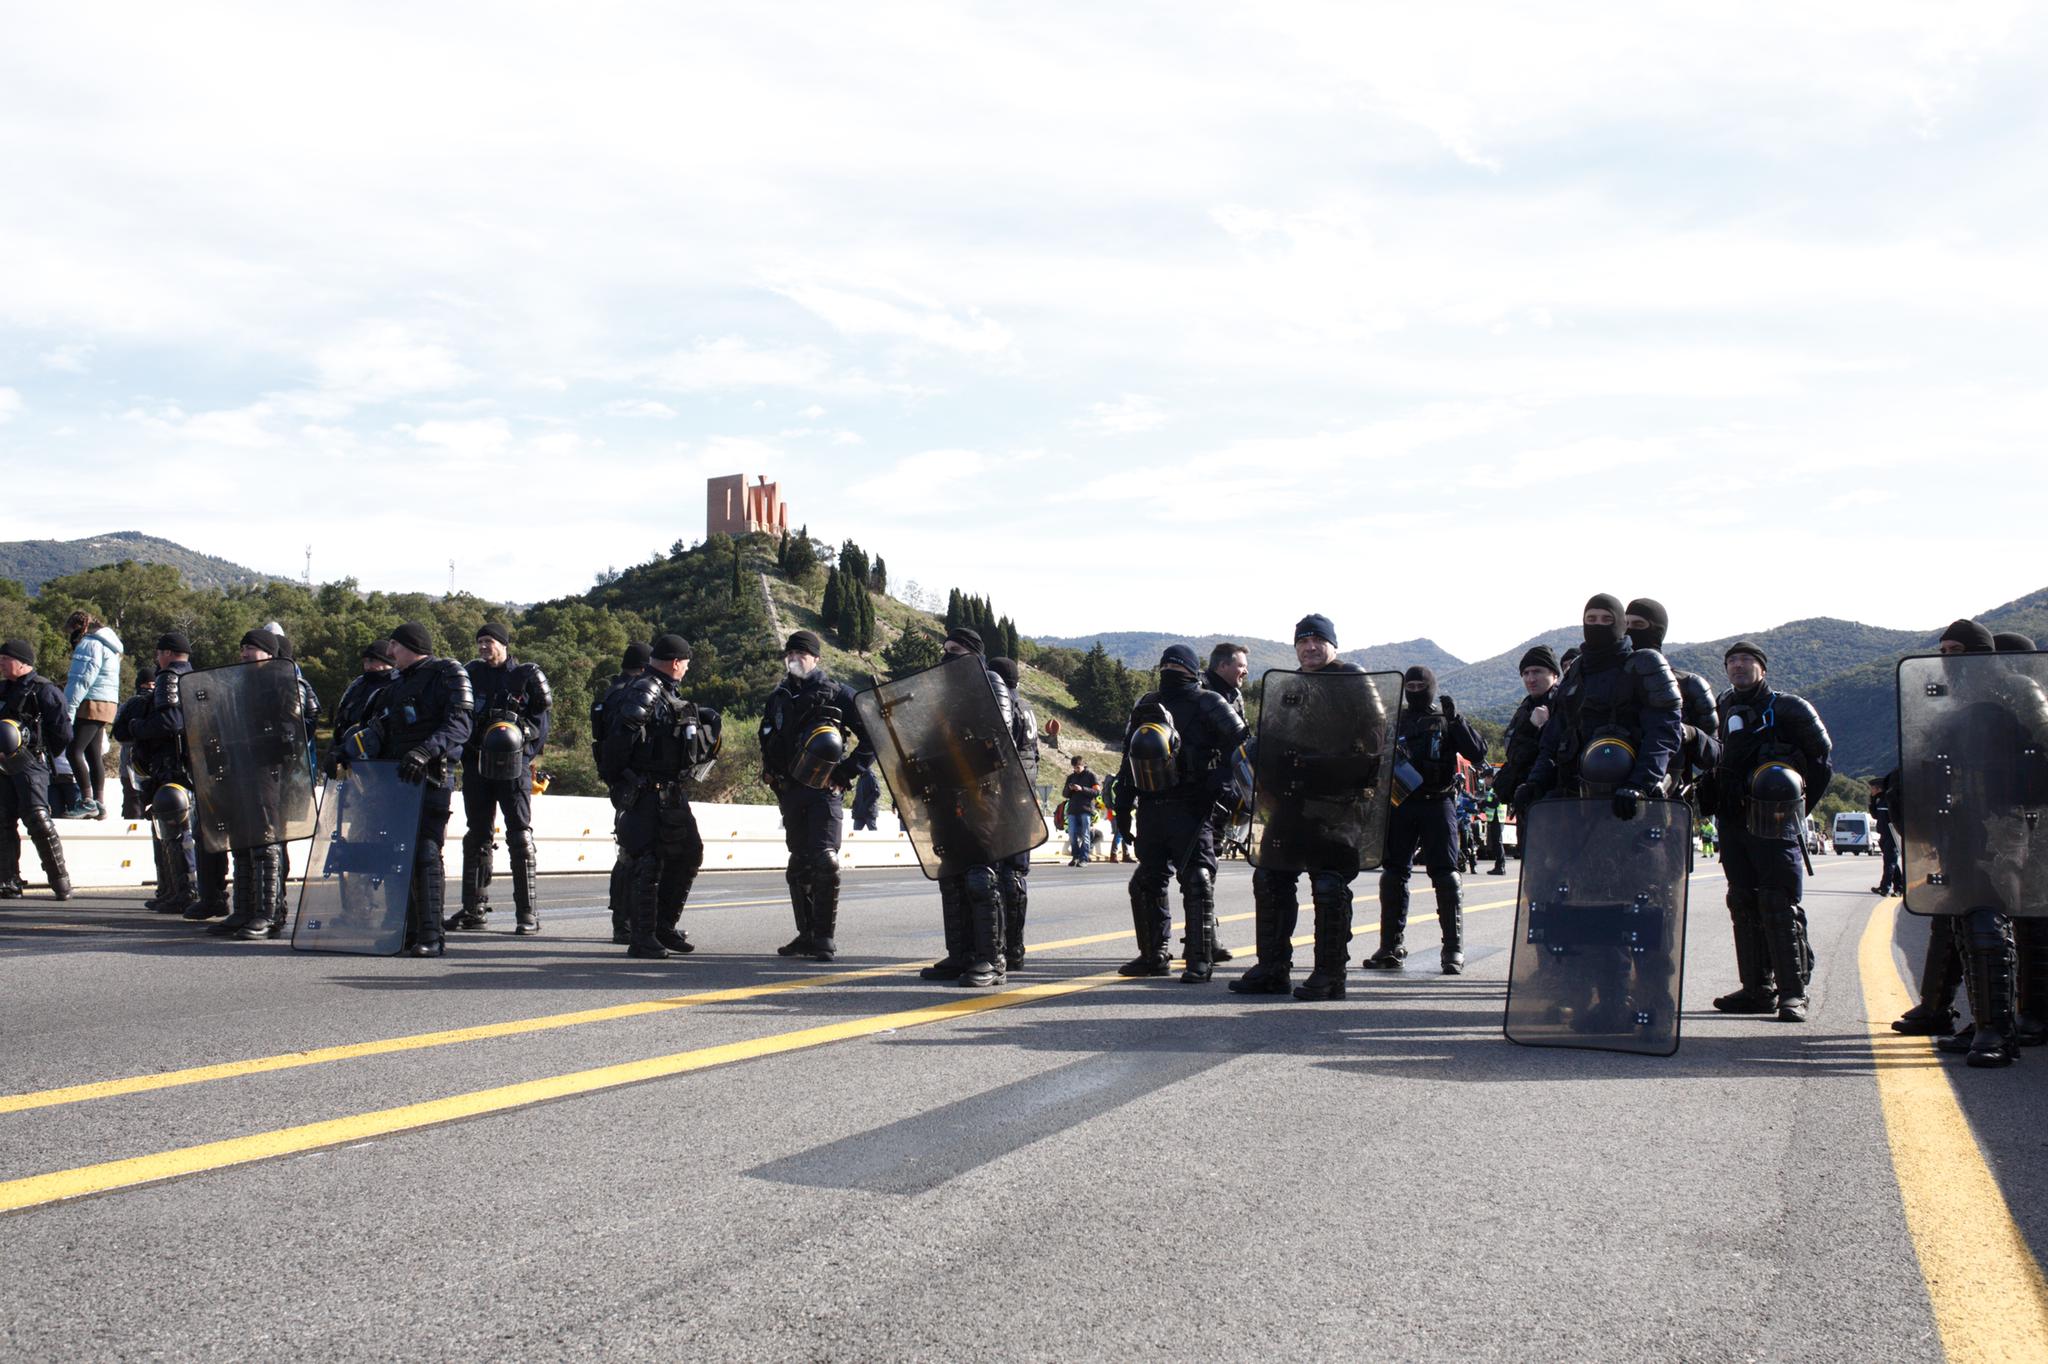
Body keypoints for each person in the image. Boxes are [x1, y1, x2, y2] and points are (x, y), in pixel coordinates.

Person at [1231, 613, 1378, 1001]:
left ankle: (1331, 974)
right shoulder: (1290, 684)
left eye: (1318, 640)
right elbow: (1271, 732)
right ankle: (1272, 967)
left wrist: (1354, 770)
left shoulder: (1353, 679)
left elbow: (1380, 733)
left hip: (1336, 802)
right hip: (1290, 799)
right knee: (1270, 877)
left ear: (1334, 645)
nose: (1310, 647)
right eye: (1303, 641)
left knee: (1328, 884)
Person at [1702, 640, 1833, 1023]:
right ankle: (1757, 989)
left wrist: (1796, 810)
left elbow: (1822, 760)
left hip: (1774, 821)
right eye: (1732, 661)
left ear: (1762, 667)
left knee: (1778, 902)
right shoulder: (1722, 706)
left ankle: (1794, 994)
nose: (1738, 666)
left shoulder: (1791, 708)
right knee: (1742, 900)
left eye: (1746, 660)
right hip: (1732, 818)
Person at [1109, 644, 1249, 982]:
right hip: (1153, 805)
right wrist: (1123, 808)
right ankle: (1154, 955)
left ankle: (1200, 960)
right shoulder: (1146, 704)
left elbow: (1244, 746)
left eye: (1176, 665)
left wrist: (1221, 785)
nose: (1171, 670)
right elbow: (1129, 758)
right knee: (1146, 882)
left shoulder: (1209, 701)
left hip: (1194, 805)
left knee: (1197, 879)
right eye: (1167, 664)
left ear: (1190, 669)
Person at [354, 621, 473, 957]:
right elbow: (378, 728)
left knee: (424, 852)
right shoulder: (394, 684)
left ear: (409, 645)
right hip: (394, 780)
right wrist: (351, 749)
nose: (389, 653)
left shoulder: (447, 673)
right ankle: (402, 931)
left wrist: (426, 750)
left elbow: (460, 724)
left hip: (431, 776)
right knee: (395, 854)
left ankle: (432, 935)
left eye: (394, 645)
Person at [601, 634, 719, 960]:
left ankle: (664, 926)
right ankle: (642, 937)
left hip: (668, 789)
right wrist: (624, 783)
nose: (686, 669)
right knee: (648, 861)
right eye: (686, 664)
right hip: (646, 789)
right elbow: (617, 743)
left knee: (688, 853)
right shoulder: (646, 690)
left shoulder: (665, 691)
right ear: (676, 662)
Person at [1363, 666, 1486, 973]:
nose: (1416, 689)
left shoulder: (1446, 719)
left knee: (1445, 874)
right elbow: (1373, 757)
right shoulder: (1396, 719)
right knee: (1393, 873)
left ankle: (1453, 949)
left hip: (1438, 800)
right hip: (1400, 803)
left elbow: (1477, 752)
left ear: (1431, 687)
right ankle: (1390, 945)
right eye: (1411, 684)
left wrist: (1457, 721)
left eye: (1421, 685)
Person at [914, 628, 1018, 987]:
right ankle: (960, 955)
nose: (947, 656)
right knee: (951, 874)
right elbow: (929, 739)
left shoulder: (989, 681)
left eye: (954, 650)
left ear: (973, 654)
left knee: (980, 874)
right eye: (945, 650)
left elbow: (998, 739)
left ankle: (992, 959)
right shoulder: (943, 692)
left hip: (982, 794)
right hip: (946, 793)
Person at [758, 629, 870, 961]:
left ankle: (824, 939)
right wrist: (770, 771)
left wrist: (846, 772)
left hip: (823, 792)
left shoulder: (838, 694)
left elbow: (872, 738)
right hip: (790, 792)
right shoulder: (778, 696)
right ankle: (805, 935)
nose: (794, 659)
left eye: (801, 654)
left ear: (816, 659)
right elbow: (768, 737)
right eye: (789, 654)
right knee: (798, 864)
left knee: (825, 860)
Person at [212, 628, 322, 941]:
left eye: (252, 648)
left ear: (269, 653)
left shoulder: (282, 679)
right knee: (242, 839)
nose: (245, 653)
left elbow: (303, 719)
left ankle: (268, 912)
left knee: (264, 837)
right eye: (243, 647)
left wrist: (281, 743)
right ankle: (244, 909)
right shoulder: (238, 682)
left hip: (269, 769)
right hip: (239, 767)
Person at [453, 623, 552, 935]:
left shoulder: (525, 676)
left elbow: (540, 725)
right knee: (477, 834)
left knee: (519, 835)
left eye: (490, 642)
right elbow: (459, 718)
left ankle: (527, 914)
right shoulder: (471, 673)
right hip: (477, 767)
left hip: (514, 769)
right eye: (480, 641)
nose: (484, 647)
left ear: (504, 644)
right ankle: (473, 909)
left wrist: (522, 755)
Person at [125, 633, 229, 919]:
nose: (157, 659)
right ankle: (179, 891)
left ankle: (184, 892)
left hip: (175, 765)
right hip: (194, 766)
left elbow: (170, 722)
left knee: (176, 829)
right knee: (178, 829)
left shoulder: (169, 677)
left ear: (169, 653)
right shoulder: (197, 678)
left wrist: (138, 726)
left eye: (159, 653)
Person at [0, 639, 74, 901]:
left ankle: (60, 882)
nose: (1, 664)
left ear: (22, 662)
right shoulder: (3, 690)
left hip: (31, 764)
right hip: (4, 765)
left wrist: (39, 753)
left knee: (38, 820)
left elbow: (63, 732)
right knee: (3, 821)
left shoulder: (44, 690)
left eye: (5, 659)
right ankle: (8, 881)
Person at [590, 642, 651, 944]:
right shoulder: (635, 695)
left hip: (618, 781)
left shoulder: (610, 694)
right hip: (635, 782)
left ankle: (622, 921)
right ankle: (628, 922)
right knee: (636, 853)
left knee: (626, 850)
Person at [1488, 646, 1561, 875]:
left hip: (1557, 802)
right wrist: (1531, 726)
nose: (1531, 678)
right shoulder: (1525, 708)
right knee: (1533, 874)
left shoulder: (1565, 705)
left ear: (1554, 674)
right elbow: (1513, 753)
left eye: (1537, 671)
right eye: (1526, 673)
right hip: (1528, 801)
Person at [1202, 642, 1251, 960]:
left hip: (1226, 793)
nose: (1245, 671)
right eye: (1240, 665)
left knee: (1210, 866)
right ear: (1222, 666)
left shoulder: (1236, 696)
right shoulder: (1201, 692)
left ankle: (1205, 936)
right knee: (1198, 870)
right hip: (1199, 792)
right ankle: (1162, 944)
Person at [989, 657, 1038, 969]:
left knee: (1002, 875)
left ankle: (1005, 946)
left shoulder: (1005, 707)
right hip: (1025, 796)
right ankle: (1016, 947)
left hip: (1006, 796)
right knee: (1016, 875)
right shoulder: (1028, 708)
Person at [57, 611, 123, 819]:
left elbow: (80, 680)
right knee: (93, 754)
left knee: (73, 751)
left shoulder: (90, 644)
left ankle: (87, 802)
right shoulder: (110, 645)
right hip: (107, 703)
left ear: (80, 627)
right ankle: (100, 803)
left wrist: (68, 709)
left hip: (90, 703)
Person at [114, 664, 155, 822]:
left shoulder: (128, 704)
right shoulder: (156, 702)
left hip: (129, 763)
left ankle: (131, 838)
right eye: (148, 684)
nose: (150, 688)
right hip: (148, 762)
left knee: (132, 802)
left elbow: (118, 733)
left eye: (152, 684)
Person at [1061, 755, 1099, 865]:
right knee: (1072, 835)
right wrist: (1069, 788)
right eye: (1074, 767)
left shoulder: (1091, 776)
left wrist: (1081, 789)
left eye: (1078, 767)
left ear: (1083, 765)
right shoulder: (1071, 777)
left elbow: (1096, 792)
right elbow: (1064, 794)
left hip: (1086, 809)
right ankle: (1075, 857)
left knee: (1085, 835)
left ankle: (1084, 858)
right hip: (1072, 810)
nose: (1075, 770)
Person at [1869, 774, 1902, 897]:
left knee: (1889, 862)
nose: (1871, 791)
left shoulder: (1889, 800)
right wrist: (1872, 801)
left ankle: (1885, 887)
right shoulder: (1879, 801)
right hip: (1883, 834)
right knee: (1890, 861)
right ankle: (1899, 886)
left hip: (1892, 834)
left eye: (1872, 788)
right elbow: (1875, 816)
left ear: (1878, 788)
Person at [1103, 768, 1133, 862]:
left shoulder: (1121, 780)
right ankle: (1113, 854)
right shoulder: (1119, 781)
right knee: (1120, 833)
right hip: (1120, 810)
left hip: (1123, 810)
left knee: (1124, 832)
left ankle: (1126, 855)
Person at [850, 767, 881, 831]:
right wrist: (855, 805)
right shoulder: (860, 778)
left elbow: (877, 793)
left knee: (873, 833)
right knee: (855, 833)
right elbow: (858, 794)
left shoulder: (871, 776)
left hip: (869, 811)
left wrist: (866, 803)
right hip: (859, 811)